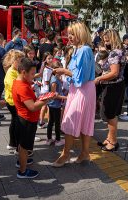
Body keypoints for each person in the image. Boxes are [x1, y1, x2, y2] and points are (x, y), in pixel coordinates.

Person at [52, 22, 96, 167]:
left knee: (71, 120)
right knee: (81, 121)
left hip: (83, 90)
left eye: (72, 34)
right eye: (69, 33)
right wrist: (64, 74)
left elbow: (81, 77)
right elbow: (75, 76)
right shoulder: (77, 49)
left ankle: (66, 154)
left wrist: (64, 72)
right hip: (77, 89)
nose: (69, 37)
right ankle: (84, 153)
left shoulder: (84, 50)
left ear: (80, 34)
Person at [12, 58, 53, 178]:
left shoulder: (20, 82)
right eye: (31, 74)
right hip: (27, 120)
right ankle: (23, 171)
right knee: (24, 147)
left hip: (24, 118)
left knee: (22, 145)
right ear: (23, 72)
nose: (33, 76)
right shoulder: (22, 87)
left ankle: (21, 161)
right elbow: (33, 107)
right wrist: (47, 99)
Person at [95, 29, 126, 151]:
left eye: (107, 39)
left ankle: (113, 142)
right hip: (116, 85)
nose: (105, 41)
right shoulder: (119, 50)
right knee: (111, 114)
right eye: (104, 39)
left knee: (110, 114)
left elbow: (114, 73)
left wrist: (99, 79)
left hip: (112, 85)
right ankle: (109, 139)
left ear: (113, 38)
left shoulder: (114, 53)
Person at [3, 50, 25, 151]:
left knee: (14, 122)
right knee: (17, 124)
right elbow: (15, 88)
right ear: (13, 61)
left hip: (13, 101)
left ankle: (13, 143)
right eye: (20, 61)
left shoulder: (15, 71)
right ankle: (17, 147)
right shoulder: (11, 72)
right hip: (13, 102)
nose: (21, 64)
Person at [46, 61, 67, 146]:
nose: (63, 71)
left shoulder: (56, 78)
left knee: (51, 122)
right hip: (54, 104)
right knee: (56, 122)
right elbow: (53, 95)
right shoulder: (54, 80)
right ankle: (58, 140)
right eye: (61, 69)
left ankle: (49, 139)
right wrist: (65, 97)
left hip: (53, 104)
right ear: (56, 70)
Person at [38, 52, 54, 129]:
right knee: (46, 107)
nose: (51, 60)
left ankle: (41, 122)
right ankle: (46, 122)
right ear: (45, 60)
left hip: (44, 89)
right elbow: (47, 81)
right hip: (47, 89)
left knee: (44, 106)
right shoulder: (47, 69)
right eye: (49, 58)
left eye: (51, 58)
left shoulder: (47, 68)